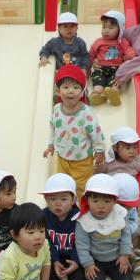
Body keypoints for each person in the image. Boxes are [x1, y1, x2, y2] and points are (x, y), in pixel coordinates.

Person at [75, 174, 139, 280]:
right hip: (95, 261)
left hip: (117, 259)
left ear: (115, 201)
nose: (101, 206)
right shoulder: (84, 220)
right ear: (87, 200)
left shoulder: (120, 215)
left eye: (107, 201)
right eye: (95, 201)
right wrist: (87, 264)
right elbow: (81, 245)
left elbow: (125, 236)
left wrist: (124, 255)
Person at [40, 173, 90, 280]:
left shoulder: (80, 217)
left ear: (73, 199)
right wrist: (54, 260)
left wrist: (76, 261)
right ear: (46, 199)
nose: (58, 203)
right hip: (52, 258)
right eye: (52, 199)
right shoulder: (43, 216)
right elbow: (46, 241)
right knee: (51, 279)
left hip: (76, 257)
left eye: (63, 199)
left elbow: (82, 242)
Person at [43, 64, 106, 199]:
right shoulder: (56, 109)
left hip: (82, 161)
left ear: (82, 91)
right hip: (62, 159)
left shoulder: (87, 114)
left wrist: (99, 150)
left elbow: (97, 133)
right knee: (64, 184)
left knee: (82, 187)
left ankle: (82, 204)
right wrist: (51, 145)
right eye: (66, 87)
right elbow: (53, 129)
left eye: (76, 87)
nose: (70, 91)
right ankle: (68, 204)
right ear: (58, 90)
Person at [89, 11, 136, 106]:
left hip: (116, 70)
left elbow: (128, 50)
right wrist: (88, 67)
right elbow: (91, 54)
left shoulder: (122, 42)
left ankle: (114, 95)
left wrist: (134, 57)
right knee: (98, 85)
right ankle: (97, 96)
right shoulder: (98, 42)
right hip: (100, 68)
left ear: (120, 29)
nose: (106, 30)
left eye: (111, 28)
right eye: (104, 27)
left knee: (115, 84)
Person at [95, 126, 140, 190]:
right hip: (110, 191)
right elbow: (97, 175)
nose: (132, 151)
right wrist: (100, 165)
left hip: (129, 192)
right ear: (115, 148)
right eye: (127, 148)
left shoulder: (137, 161)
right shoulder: (109, 161)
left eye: (135, 147)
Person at [112, 173, 140, 274]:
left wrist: (128, 230)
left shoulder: (131, 208)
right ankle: (133, 257)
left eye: (130, 205)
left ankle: (134, 248)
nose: (128, 208)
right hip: (111, 238)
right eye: (123, 205)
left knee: (139, 223)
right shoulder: (105, 210)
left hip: (127, 233)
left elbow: (134, 221)